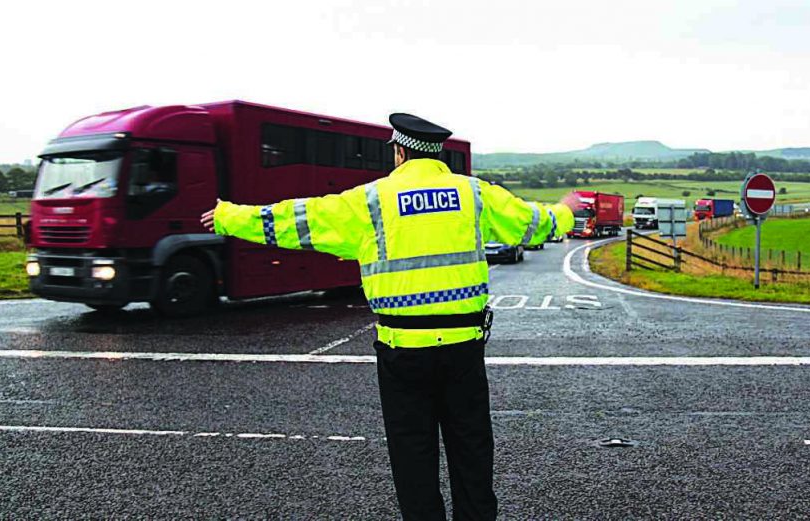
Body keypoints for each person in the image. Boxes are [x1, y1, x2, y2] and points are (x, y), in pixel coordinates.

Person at [200, 113, 573, 520]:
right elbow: (534, 224)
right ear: (438, 155)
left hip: (401, 352)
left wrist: (227, 217)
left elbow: (297, 220)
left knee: (412, 457)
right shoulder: (473, 195)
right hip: (463, 350)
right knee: (472, 451)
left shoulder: (370, 200)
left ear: (399, 152)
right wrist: (566, 211)